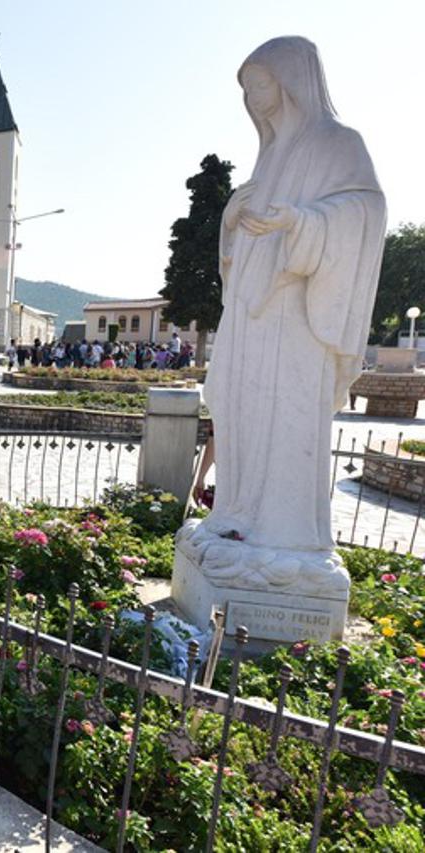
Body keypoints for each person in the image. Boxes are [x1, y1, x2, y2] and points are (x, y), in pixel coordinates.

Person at [202, 36, 385, 555]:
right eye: (247, 89)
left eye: (260, 83)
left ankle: (283, 535)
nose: (254, 97)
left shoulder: (338, 143)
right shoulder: (268, 156)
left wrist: (301, 223)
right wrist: (231, 221)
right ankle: (235, 511)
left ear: (291, 81)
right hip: (251, 314)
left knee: (283, 417)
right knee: (240, 408)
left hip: (296, 316)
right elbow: (241, 247)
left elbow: (365, 213)